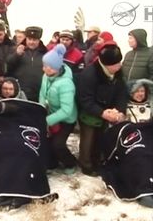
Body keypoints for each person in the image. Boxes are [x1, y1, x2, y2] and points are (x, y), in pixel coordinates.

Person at [77, 41, 128, 176]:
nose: (120, 66)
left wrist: (119, 109)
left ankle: (98, 162)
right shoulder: (89, 74)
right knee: (88, 140)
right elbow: (85, 100)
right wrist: (102, 112)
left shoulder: (117, 72)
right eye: (116, 64)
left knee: (101, 138)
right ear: (107, 64)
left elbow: (122, 92)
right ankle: (86, 165)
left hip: (109, 110)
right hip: (90, 112)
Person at [39, 44, 78, 174]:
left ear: (55, 67)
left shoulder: (66, 84)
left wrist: (47, 120)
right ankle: (53, 161)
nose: (43, 68)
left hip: (66, 119)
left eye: (46, 66)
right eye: (44, 65)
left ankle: (70, 163)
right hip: (50, 115)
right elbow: (42, 93)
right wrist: (41, 110)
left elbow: (67, 109)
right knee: (47, 142)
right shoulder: (46, 75)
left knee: (58, 144)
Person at [7, 26, 47, 102]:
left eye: (34, 40)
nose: (31, 42)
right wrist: (16, 55)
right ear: (26, 39)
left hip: (38, 93)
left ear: (39, 40)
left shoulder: (45, 54)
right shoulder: (16, 50)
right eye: (29, 39)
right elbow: (8, 67)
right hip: (20, 92)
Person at [122, 29, 153, 94]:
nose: (128, 41)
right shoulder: (128, 54)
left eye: (131, 38)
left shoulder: (150, 54)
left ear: (138, 39)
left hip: (142, 94)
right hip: (126, 92)